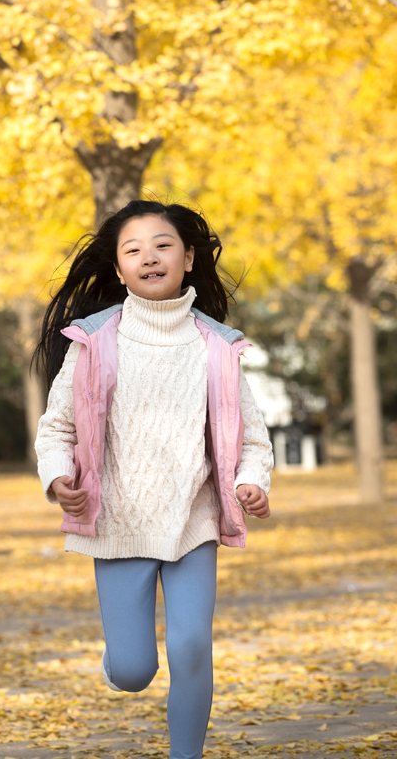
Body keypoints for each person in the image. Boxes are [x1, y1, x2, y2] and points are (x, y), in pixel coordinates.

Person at [34, 200, 273, 759]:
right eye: (133, 249)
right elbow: (57, 429)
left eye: (163, 245)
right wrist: (57, 478)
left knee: (192, 648)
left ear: (188, 258)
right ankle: (120, 660)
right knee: (136, 669)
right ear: (118, 270)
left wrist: (251, 481)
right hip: (118, 524)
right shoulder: (94, 342)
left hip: (193, 521)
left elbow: (254, 440)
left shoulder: (218, 346)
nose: (149, 257)